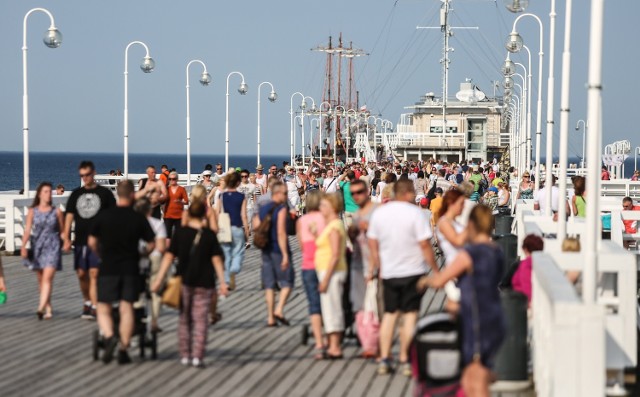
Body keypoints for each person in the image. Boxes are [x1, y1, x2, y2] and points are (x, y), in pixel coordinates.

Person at [418, 205, 506, 396]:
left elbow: (442, 280)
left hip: (476, 319)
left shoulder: (470, 254)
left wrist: (425, 279)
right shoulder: (496, 251)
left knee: (477, 377)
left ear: (471, 225)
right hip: (495, 315)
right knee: (469, 376)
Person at [367, 180, 438, 376]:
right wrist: (436, 270)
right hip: (413, 271)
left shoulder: (380, 213)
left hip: (389, 271)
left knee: (389, 315)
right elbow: (425, 245)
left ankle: (384, 358)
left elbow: (372, 241)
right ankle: (405, 359)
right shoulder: (415, 213)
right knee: (410, 316)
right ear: (406, 193)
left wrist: (378, 263)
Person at [152, 200, 227, 367]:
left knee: (184, 319)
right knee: (201, 320)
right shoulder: (209, 235)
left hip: (184, 281)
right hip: (205, 282)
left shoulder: (180, 233)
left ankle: (185, 354)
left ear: (189, 214)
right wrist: (222, 282)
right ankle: (197, 356)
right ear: (203, 215)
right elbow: (216, 260)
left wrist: (158, 280)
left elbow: (169, 257)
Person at [88, 180, 155, 364]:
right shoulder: (137, 218)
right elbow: (152, 243)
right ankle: (124, 348)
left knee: (103, 307)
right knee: (127, 308)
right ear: (133, 195)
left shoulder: (104, 215)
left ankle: (109, 336)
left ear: (118, 194)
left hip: (108, 267)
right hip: (130, 268)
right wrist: (143, 253)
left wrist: (100, 253)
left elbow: (92, 242)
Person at [63, 160, 116, 320]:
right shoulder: (76, 194)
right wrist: (66, 237)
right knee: (81, 274)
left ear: (93, 173)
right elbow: (69, 216)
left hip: (98, 242)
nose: (85, 178)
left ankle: (93, 305)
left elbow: (112, 217)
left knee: (94, 273)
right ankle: (87, 300)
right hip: (80, 240)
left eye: (87, 175)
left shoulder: (105, 194)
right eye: (82, 176)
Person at [21, 182, 64, 320]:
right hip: (37, 246)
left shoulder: (56, 211)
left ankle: (40, 307)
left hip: (52, 246)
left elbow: (62, 232)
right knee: (41, 280)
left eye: (50, 191)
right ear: (39, 194)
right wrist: (23, 246)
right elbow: (27, 230)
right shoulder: (32, 211)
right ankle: (48, 307)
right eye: (45, 191)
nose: (48, 194)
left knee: (47, 278)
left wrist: (67, 242)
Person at [253, 181, 294, 327]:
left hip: (266, 249)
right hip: (278, 248)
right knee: (288, 282)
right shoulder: (281, 209)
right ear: (277, 193)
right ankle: (279, 310)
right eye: (284, 193)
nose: (286, 195)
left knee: (269, 285)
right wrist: (285, 254)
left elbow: (256, 225)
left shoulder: (263, 208)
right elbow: (281, 232)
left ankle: (270, 317)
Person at [315, 193, 348, 359]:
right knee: (329, 308)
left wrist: (326, 279)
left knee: (332, 309)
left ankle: (335, 347)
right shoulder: (333, 224)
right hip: (328, 271)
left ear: (332, 208)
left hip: (332, 273)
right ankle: (331, 345)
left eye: (323, 206)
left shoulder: (335, 226)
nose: (320, 209)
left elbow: (335, 254)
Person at [347, 179, 377, 350]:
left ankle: (371, 343)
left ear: (367, 191)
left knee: (372, 305)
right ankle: (366, 341)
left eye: (359, 192)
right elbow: (355, 241)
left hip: (373, 265)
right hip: (358, 264)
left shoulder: (377, 211)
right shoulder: (357, 215)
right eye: (353, 193)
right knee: (359, 304)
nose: (356, 196)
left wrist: (373, 268)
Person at [296, 190, 326, 358]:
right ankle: (330, 338)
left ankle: (319, 343)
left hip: (308, 264)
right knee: (328, 302)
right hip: (325, 264)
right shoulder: (327, 219)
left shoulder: (302, 221)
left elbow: (301, 246)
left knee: (314, 305)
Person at [134, 197, 167, 332]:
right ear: (149, 209)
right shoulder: (157, 224)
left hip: (136, 259)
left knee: (136, 288)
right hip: (154, 258)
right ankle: (154, 322)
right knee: (155, 290)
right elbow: (161, 247)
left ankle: (137, 315)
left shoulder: (133, 224)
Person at [218, 172, 249, 290]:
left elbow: (218, 213)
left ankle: (226, 281)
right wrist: (247, 230)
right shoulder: (242, 197)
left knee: (226, 254)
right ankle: (234, 269)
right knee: (238, 252)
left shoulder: (222, 196)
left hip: (224, 228)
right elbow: (244, 215)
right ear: (238, 183)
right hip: (237, 227)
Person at [510, 234, 544, 305]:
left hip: (522, 305)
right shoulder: (542, 263)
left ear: (526, 249)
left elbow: (526, 288)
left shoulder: (526, 265)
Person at [164, 171, 189, 241]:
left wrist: (180, 202)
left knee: (179, 235)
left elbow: (186, 201)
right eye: (170, 179)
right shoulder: (166, 189)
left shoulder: (181, 189)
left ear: (177, 179)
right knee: (167, 235)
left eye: (174, 179)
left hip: (179, 216)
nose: (172, 181)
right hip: (168, 215)